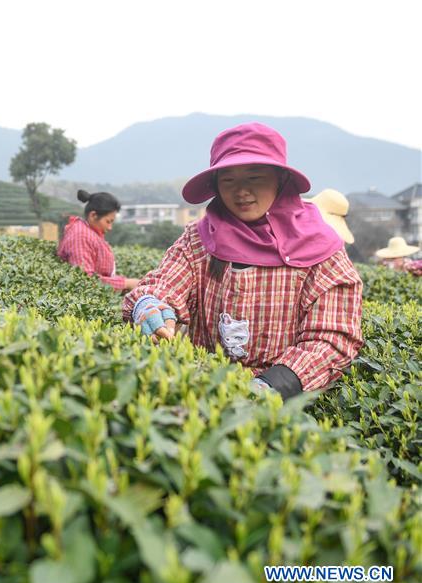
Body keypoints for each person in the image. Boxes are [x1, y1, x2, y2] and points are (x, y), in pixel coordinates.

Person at [122, 123, 363, 399]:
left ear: (280, 180)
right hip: (201, 390)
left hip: (282, 404)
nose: (241, 192)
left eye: (255, 177)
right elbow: (168, 280)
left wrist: (274, 383)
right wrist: (151, 304)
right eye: (228, 180)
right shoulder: (199, 239)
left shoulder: (320, 249)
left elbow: (333, 336)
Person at [57, 190, 139, 291]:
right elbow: (84, 280)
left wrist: (127, 282)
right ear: (93, 216)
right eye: (108, 221)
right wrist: (126, 283)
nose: (110, 228)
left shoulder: (89, 231)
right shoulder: (81, 236)